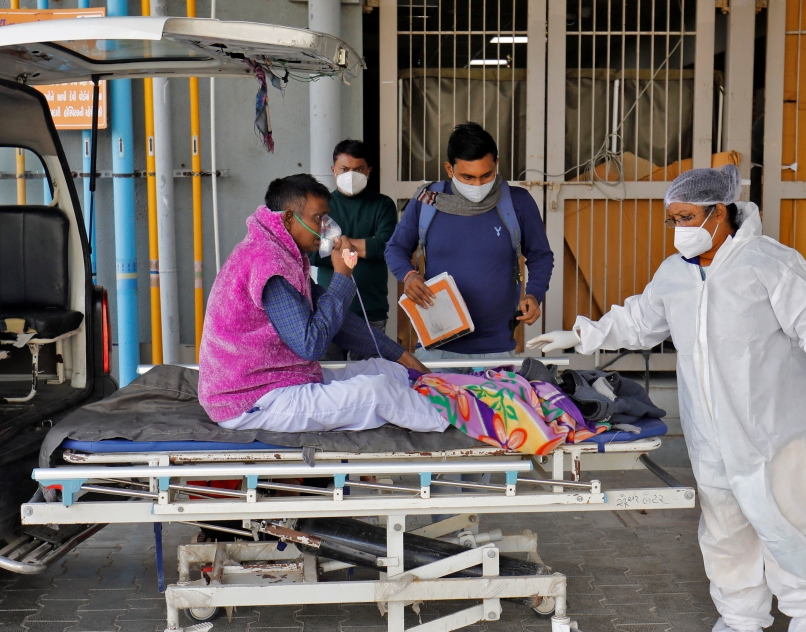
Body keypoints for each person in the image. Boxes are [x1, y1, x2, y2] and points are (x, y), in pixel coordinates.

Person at [527, 164, 806, 632]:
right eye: (672, 218)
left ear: (718, 213)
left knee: (786, 525)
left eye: (686, 216)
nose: (678, 227)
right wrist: (582, 336)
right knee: (724, 528)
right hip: (710, 432)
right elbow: (640, 319)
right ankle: (742, 621)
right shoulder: (675, 273)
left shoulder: (771, 264)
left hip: (773, 432)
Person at [198, 174, 446, 434]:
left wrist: (402, 356)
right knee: (379, 393)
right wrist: (342, 276)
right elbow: (311, 345)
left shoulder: (281, 253)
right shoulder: (267, 264)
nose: (327, 228)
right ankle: (458, 422)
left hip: (279, 379)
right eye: (318, 218)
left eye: (327, 218)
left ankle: (439, 394)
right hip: (251, 399)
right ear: (288, 218)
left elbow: (338, 322)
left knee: (386, 370)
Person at [385, 122, 554, 364]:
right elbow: (395, 248)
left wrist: (534, 294)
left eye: (486, 175)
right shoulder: (427, 202)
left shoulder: (518, 203)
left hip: (496, 348)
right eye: (468, 177)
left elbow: (540, 255)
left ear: (496, 163)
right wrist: (409, 275)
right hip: (437, 347)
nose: (478, 185)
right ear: (449, 169)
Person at [311, 139, 398, 361]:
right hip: (329, 312)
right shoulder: (320, 207)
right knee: (329, 382)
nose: (351, 175)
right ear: (333, 170)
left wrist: (338, 244)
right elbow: (313, 253)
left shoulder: (383, 204)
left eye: (358, 169)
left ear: (369, 170)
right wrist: (366, 245)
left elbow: (386, 247)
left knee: (370, 383)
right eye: (344, 169)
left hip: (371, 310)